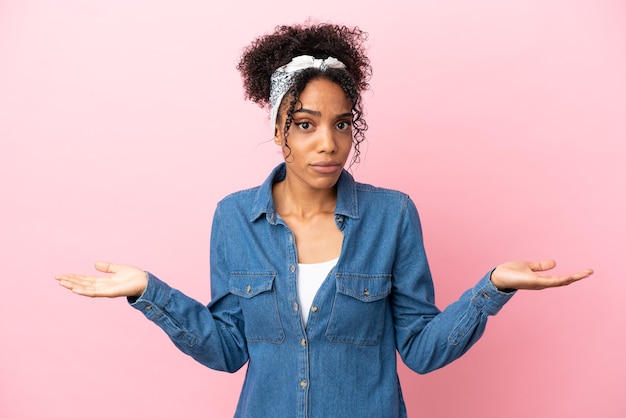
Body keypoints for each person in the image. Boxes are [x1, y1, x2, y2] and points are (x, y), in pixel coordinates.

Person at [55, 23, 593, 418]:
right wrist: (150, 292)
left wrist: (492, 287)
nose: (328, 144)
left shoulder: (392, 215)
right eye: (306, 124)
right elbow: (227, 351)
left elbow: (423, 352)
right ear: (278, 132)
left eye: (341, 124)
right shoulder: (234, 217)